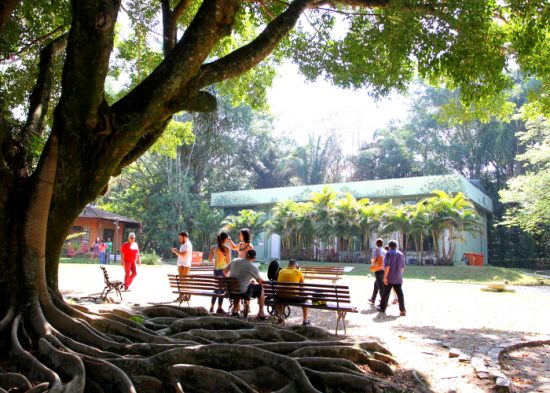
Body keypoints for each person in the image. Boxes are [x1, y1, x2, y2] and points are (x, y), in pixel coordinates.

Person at [223, 249, 267, 319]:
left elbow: (225, 271)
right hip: (243, 291)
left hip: (231, 290)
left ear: (245, 255)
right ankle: (261, 312)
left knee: (238, 287)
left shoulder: (235, 261)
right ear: (254, 258)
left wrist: (231, 280)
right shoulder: (252, 267)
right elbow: (259, 281)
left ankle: (234, 310)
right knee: (261, 288)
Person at [377, 240, 406, 317]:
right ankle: (402, 310)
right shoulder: (401, 254)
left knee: (385, 294)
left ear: (389, 246)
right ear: (396, 246)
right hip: (398, 277)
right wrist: (399, 275)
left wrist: (385, 277)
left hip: (389, 277)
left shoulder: (388, 253)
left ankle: (382, 308)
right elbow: (402, 267)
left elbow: (387, 267)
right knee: (400, 294)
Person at [276, 259, 310, 325]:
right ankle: (305, 320)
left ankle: (280, 316)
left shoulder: (281, 271)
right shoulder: (298, 272)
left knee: (280, 296)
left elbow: (278, 283)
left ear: (288, 264)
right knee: (305, 298)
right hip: (293, 298)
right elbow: (302, 287)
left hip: (280, 297)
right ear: (296, 265)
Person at [208, 231, 231, 314]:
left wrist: (215, 261)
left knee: (216, 289)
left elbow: (210, 259)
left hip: (215, 270)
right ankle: (219, 308)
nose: (228, 239)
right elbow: (229, 262)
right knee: (221, 289)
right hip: (223, 270)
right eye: (227, 238)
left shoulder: (213, 247)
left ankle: (211, 307)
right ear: (225, 239)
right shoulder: (227, 248)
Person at [368, 238, 386, 306]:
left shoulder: (375, 250)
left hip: (378, 269)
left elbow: (375, 259)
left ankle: (383, 302)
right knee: (376, 284)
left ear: (376, 244)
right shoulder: (385, 251)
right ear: (382, 243)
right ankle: (373, 299)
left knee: (381, 287)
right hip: (384, 270)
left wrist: (372, 264)